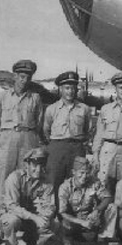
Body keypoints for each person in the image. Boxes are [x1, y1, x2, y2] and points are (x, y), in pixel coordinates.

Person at [0, 60, 44, 245]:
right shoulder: (2, 97)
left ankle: (26, 227)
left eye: (28, 77)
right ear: (15, 76)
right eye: (21, 76)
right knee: (3, 183)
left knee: (26, 184)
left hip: (28, 139)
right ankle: (0, 228)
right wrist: (1, 136)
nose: (24, 80)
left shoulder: (35, 98)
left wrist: (30, 138)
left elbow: (39, 121)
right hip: (8, 140)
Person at [0, 148, 58, 245]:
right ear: (27, 165)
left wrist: (45, 215)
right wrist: (34, 217)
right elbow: (12, 206)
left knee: (55, 224)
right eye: (35, 165)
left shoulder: (47, 181)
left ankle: (31, 237)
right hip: (11, 214)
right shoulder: (14, 178)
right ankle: (8, 239)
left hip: (31, 218)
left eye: (41, 165)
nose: (38, 169)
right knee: (12, 221)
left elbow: (49, 205)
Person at [43, 71, 92, 204]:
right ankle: (53, 213)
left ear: (77, 89)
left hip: (77, 148)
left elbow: (88, 129)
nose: (70, 91)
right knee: (53, 180)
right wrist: (56, 144)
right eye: (67, 88)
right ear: (60, 89)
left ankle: (71, 215)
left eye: (73, 88)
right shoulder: (51, 109)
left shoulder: (84, 109)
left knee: (76, 181)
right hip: (57, 148)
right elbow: (46, 130)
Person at [58, 157, 118, 245]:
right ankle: (68, 238)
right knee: (65, 223)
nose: (84, 176)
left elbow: (107, 197)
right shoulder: (65, 187)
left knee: (112, 207)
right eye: (81, 173)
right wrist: (81, 222)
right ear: (73, 172)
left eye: (87, 173)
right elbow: (63, 213)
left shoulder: (94, 182)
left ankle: (103, 239)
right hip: (74, 224)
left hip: (90, 222)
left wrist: (97, 210)